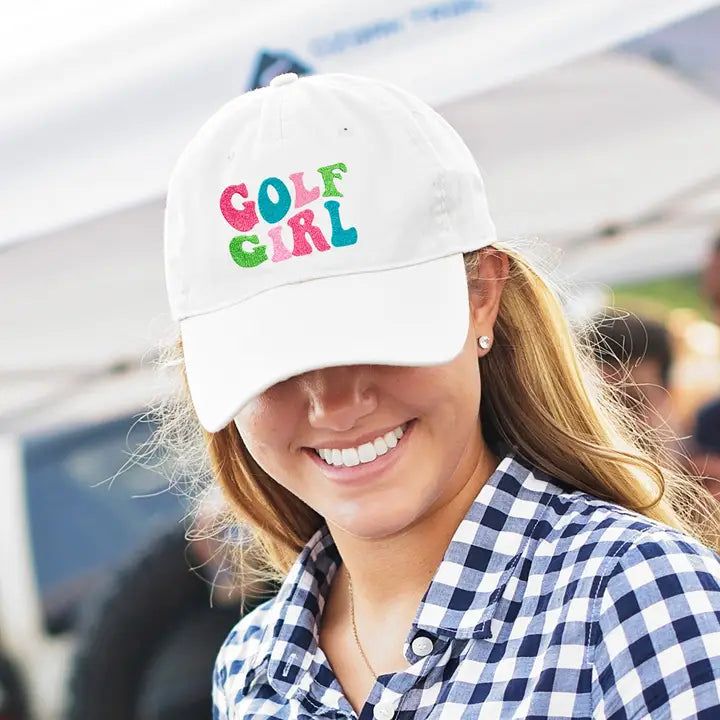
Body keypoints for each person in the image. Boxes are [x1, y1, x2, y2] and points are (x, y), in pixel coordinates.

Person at [160, 72, 720, 719]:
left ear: (481, 296)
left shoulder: (642, 601)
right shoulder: (251, 668)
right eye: (273, 356)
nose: (333, 402)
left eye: (374, 332)